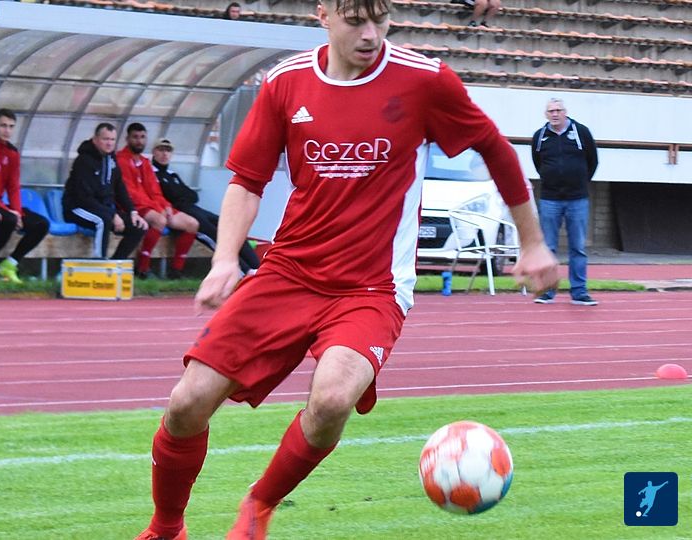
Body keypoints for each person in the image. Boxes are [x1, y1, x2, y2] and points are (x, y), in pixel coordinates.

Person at [134, 0, 559, 538]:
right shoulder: (286, 82)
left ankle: (260, 505)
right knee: (186, 403)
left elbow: (495, 150)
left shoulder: (424, 80)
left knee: (334, 398)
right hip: (288, 272)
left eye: (380, 19)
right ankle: (166, 526)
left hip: (372, 287)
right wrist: (223, 260)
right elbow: (247, 180)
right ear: (324, 16)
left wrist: (533, 243)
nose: (371, 34)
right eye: (356, 20)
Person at [151, 137, 260, 274]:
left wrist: (179, 194)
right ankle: (245, 270)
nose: (164, 154)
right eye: (161, 150)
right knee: (212, 233)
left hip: (192, 208)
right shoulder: (152, 173)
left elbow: (193, 195)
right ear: (154, 152)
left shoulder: (172, 175)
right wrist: (179, 195)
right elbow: (167, 195)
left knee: (227, 225)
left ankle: (257, 265)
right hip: (179, 211)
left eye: (168, 150)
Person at [531, 98, 599, 306]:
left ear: (565, 112)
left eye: (558, 110)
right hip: (550, 199)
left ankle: (579, 292)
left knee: (577, 247)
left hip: (577, 199)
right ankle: (547, 291)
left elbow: (593, 161)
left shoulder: (581, 132)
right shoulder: (540, 136)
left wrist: (579, 181)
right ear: (546, 114)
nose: (555, 114)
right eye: (551, 111)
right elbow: (538, 162)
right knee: (548, 247)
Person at [0, 109, 50, 285]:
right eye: (3, 126)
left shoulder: (12, 153)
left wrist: (18, 212)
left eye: (11, 127)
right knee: (8, 219)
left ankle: (10, 263)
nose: (7, 130)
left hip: (0, 205)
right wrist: (10, 212)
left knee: (41, 224)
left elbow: (13, 186)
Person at [116, 124, 199, 279]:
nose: (139, 141)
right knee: (159, 220)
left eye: (142, 137)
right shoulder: (121, 160)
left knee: (192, 224)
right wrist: (157, 208)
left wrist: (165, 206)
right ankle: (143, 267)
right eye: (135, 137)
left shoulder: (145, 162)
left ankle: (176, 270)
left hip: (152, 206)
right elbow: (129, 192)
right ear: (127, 139)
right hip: (133, 207)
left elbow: (155, 190)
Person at [63, 123, 148, 260]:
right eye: (105, 139)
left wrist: (133, 212)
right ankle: (100, 263)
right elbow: (84, 198)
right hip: (77, 208)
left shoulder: (111, 159)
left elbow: (119, 187)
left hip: (103, 209)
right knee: (103, 221)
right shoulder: (83, 161)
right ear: (95, 139)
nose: (109, 143)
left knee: (139, 226)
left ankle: (115, 264)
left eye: (112, 139)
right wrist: (112, 214)